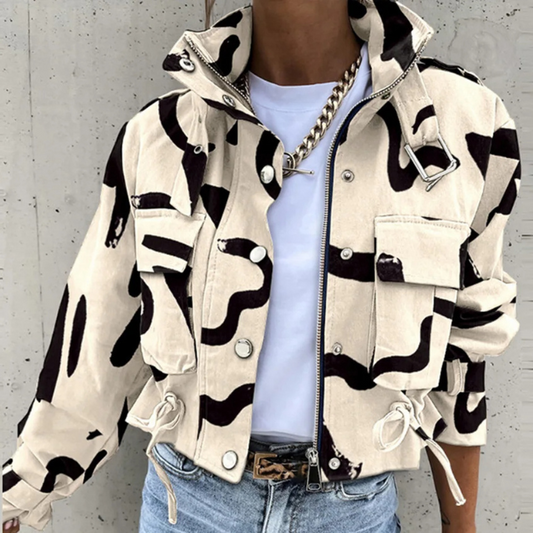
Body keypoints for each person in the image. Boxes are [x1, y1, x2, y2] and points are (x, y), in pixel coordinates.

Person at [2, 1, 521, 532]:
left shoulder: (458, 126)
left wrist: (461, 526)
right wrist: (19, 498)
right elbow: (95, 339)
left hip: (351, 512)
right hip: (189, 504)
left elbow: (466, 350)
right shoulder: (162, 137)